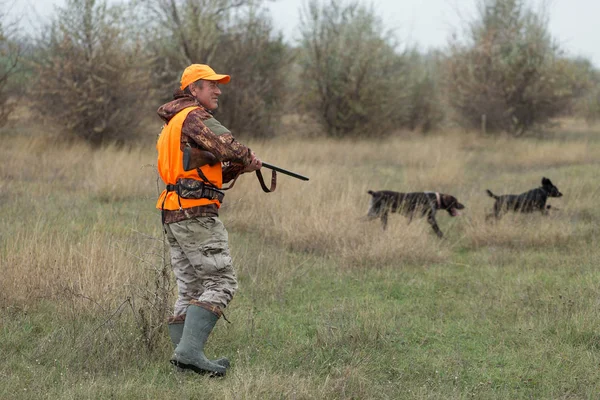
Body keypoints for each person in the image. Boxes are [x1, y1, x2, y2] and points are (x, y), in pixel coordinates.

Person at [155, 64, 262, 376]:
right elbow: (227, 146)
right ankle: (189, 353)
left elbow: (202, 171)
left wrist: (240, 167)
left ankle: (184, 366)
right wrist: (244, 155)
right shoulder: (194, 116)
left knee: (189, 290)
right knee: (221, 282)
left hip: (174, 210)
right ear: (193, 90)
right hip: (196, 213)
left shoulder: (172, 124)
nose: (217, 91)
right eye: (210, 85)